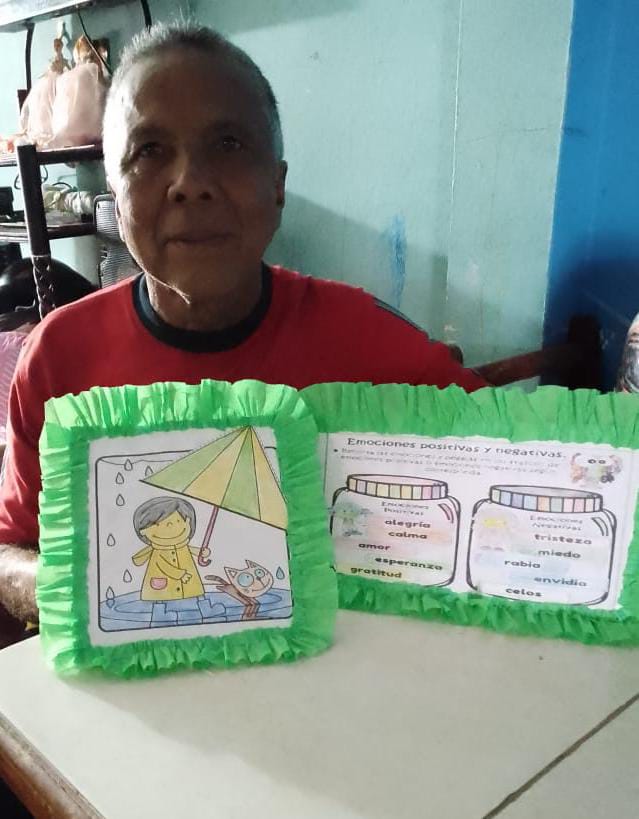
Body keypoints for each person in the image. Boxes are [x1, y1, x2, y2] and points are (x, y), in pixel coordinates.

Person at [0, 22, 485, 628]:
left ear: (277, 186)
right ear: (115, 195)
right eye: (149, 151)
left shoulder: (365, 338)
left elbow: (514, 460)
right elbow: (9, 548)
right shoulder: (59, 356)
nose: (190, 184)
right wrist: (82, 593)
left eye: (227, 144)